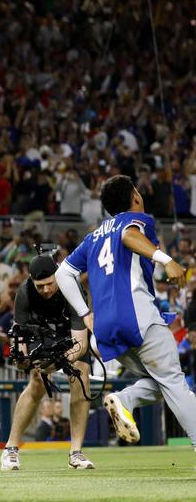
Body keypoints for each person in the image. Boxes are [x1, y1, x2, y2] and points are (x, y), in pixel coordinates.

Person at [56, 175, 196, 452]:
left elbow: (63, 273)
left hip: (105, 327)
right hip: (136, 316)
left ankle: (126, 400)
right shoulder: (136, 219)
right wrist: (166, 260)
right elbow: (127, 235)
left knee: (163, 381)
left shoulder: (92, 236)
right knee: (175, 381)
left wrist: (85, 313)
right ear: (134, 198)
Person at [1, 255, 94, 472]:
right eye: (40, 286)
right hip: (43, 333)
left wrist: (55, 362)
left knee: (81, 376)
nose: (45, 290)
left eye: (50, 284)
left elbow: (81, 343)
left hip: (71, 335)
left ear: (57, 276)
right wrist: (22, 360)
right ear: (32, 281)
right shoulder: (24, 293)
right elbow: (19, 336)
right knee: (36, 383)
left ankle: (76, 452)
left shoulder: (72, 287)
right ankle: (10, 449)